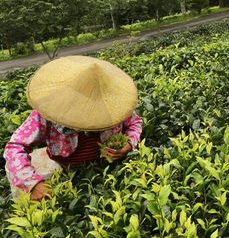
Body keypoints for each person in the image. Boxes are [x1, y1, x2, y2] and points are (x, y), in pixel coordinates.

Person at [4, 56, 143, 200]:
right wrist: (32, 183)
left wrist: (129, 145)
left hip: (106, 168)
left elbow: (135, 123)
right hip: (67, 169)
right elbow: (15, 146)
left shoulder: (115, 105)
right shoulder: (50, 111)